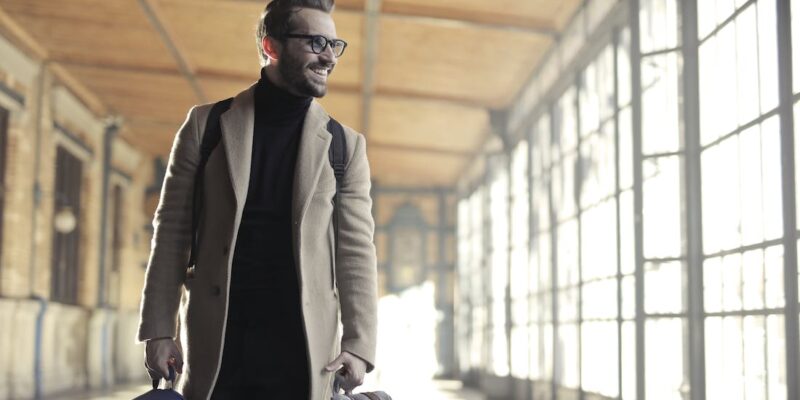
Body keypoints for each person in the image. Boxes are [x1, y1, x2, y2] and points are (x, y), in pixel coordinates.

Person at [136, 0, 378, 398]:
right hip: (218, 343)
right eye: (317, 42)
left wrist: (358, 345)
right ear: (271, 47)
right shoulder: (206, 125)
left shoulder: (344, 147)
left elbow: (356, 252)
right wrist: (160, 329)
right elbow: (171, 233)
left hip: (304, 351)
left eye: (335, 45)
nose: (329, 56)